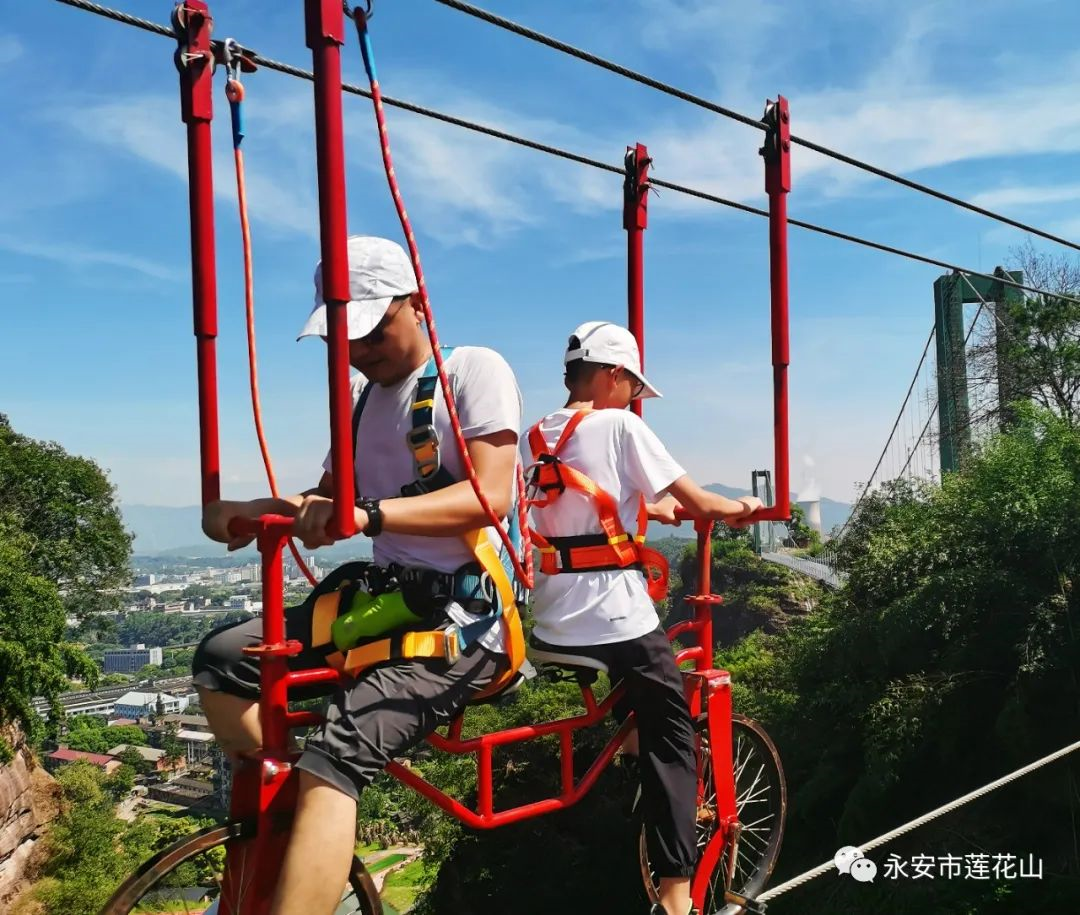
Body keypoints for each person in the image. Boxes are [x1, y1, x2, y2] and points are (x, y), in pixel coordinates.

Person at [193, 235, 524, 915]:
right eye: (346, 336)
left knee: (335, 756)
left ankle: (318, 808)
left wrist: (372, 516)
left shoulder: (469, 372)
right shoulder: (359, 399)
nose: (361, 347)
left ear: (417, 304)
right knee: (221, 660)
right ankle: (301, 831)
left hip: (463, 615)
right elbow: (326, 500)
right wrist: (252, 510)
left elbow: (494, 494)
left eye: (374, 327)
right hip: (387, 597)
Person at [524, 321, 763, 915]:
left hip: (551, 621)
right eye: (631, 383)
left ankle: (629, 744)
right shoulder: (621, 425)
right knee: (677, 736)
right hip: (612, 620)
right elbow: (705, 503)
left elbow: (582, 498)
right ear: (611, 374)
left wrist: (649, 506)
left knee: (643, 673)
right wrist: (742, 507)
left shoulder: (540, 433)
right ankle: (677, 893)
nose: (635, 397)